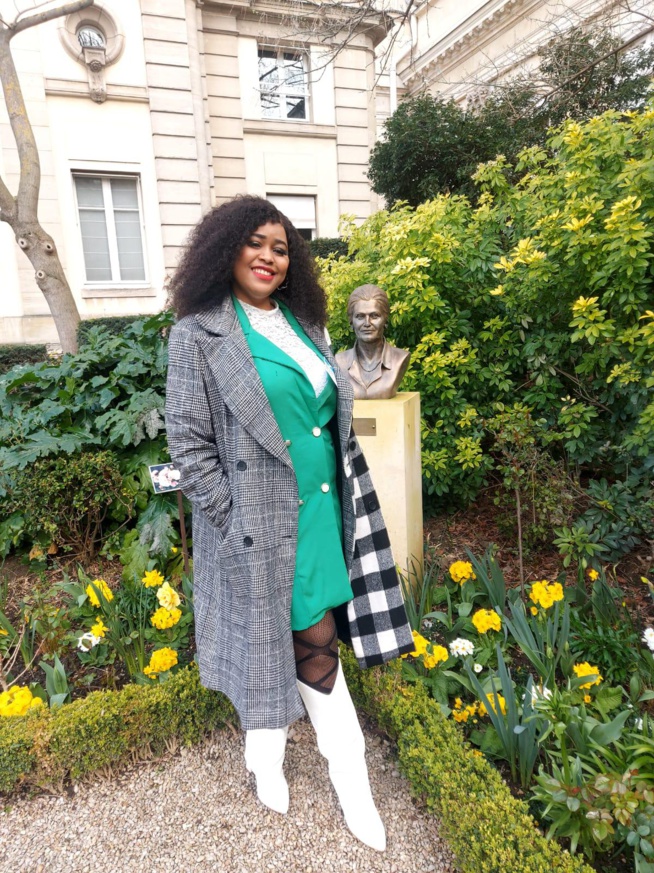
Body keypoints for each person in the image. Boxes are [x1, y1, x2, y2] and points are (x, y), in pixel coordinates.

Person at [165, 196, 413, 852]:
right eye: (255, 243)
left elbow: (325, 417)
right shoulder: (197, 334)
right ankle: (348, 783)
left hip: (325, 509)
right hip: (257, 521)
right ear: (225, 249)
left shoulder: (308, 324)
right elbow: (188, 444)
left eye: (280, 247)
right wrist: (231, 519)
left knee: (292, 635)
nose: (268, 256)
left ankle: (264, 754)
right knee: (309, 641)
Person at [335, 284, 410, 399]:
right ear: (351, 322)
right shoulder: (340, 361)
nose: (367, 323)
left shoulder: (400, 359)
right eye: (360, 316)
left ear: (385, 320)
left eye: (374, 316)